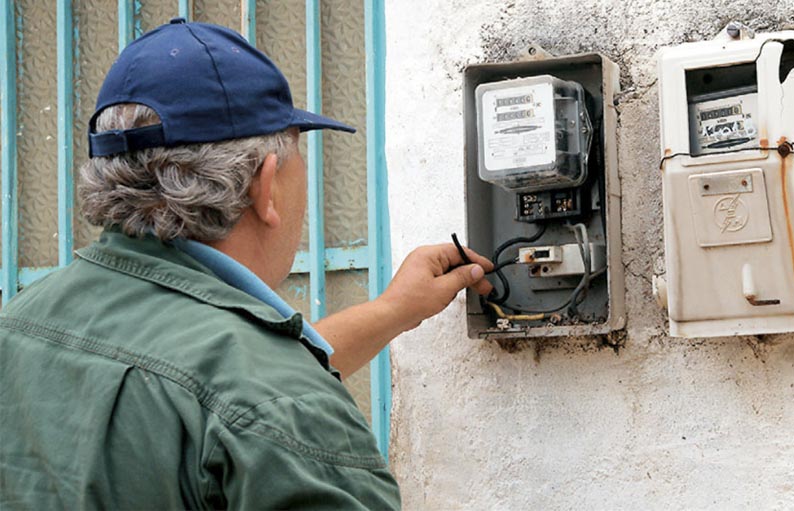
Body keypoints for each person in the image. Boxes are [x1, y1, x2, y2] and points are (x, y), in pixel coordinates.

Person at [0, 18, 493, 510]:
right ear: (265, 184)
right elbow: (246, 394)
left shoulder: (18, 326)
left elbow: (207, 383)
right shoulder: (281, 404)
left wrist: (392, 311)